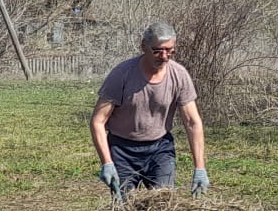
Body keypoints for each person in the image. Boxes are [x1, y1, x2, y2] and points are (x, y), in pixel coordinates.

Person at [90, 23, 209, 196]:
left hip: (160, 149)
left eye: (170, 51)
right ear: (143, 46)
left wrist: (200, 168)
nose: (164, 56)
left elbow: (192, 122)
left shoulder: (179, 75)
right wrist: (107, 163)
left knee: (163, 206)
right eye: (157, 50)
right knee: (125, 210)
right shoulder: (122, 74)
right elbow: (98, 121)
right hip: (123, 150)